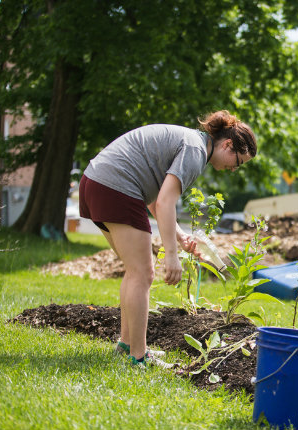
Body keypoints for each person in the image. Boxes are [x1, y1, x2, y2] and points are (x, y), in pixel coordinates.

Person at [79, 110, 256, 366]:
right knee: (143, 274)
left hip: (96, 181)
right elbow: (164, 203)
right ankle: (139, 358)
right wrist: (171, 256)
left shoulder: (193, 143)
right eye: (238, 162)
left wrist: (181, 237)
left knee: (135, 271)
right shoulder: (196, 151)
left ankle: (127, 347)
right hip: (115, 185)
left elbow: (154, 200)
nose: (233, 169)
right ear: (228, 144)